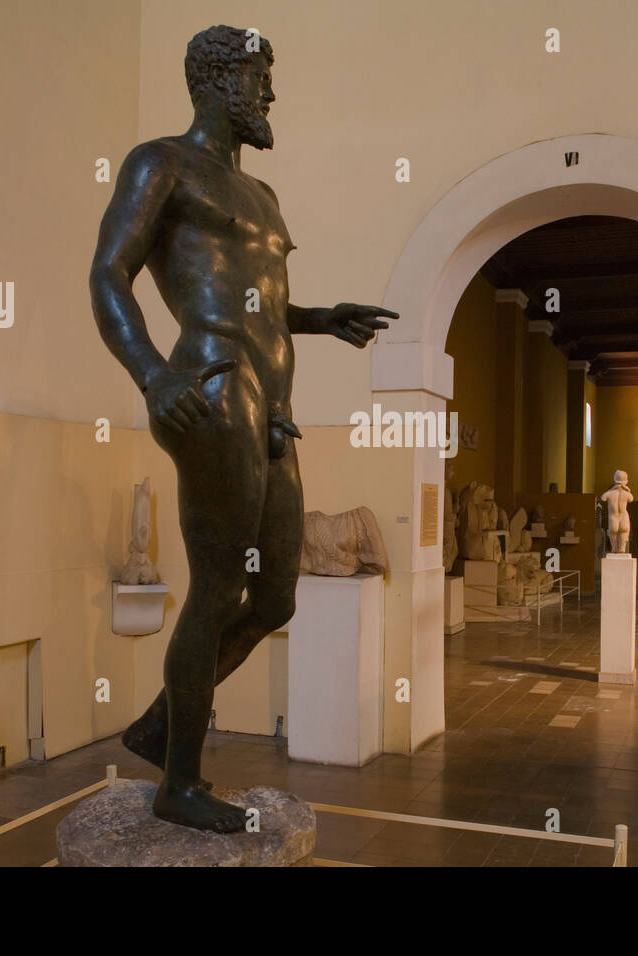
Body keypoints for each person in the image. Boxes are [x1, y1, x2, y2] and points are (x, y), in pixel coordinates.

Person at [90, 25, 396, 831]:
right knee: (219, 587)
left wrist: (321, 318)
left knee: (278, 598)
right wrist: (153, 374)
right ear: (216, 81)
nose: (268, 96)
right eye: (258, 79)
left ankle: (162, 724)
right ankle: (179, 783)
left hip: (275, 406)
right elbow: (109, 272)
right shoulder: (161, 163)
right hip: (212, 384)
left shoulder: (263, 198)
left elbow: (257, 299)